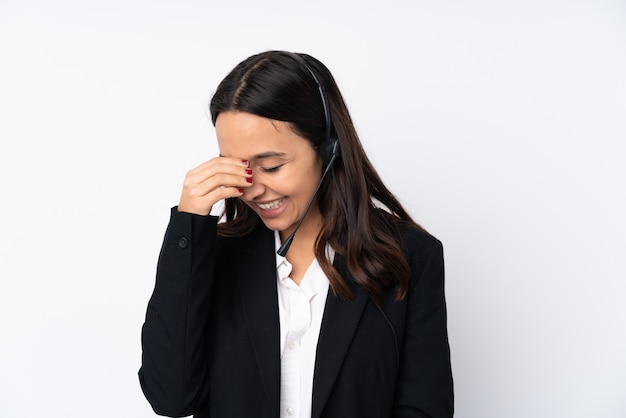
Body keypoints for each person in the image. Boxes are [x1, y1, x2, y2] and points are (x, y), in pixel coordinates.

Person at [138, 50, 454, 418]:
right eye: (238, 169)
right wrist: (188, 228)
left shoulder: (411, 257)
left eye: (271, 166)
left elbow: (424, 408)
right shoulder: (212, 258)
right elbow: (171, 398)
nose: (253, 188)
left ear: (328, 148)